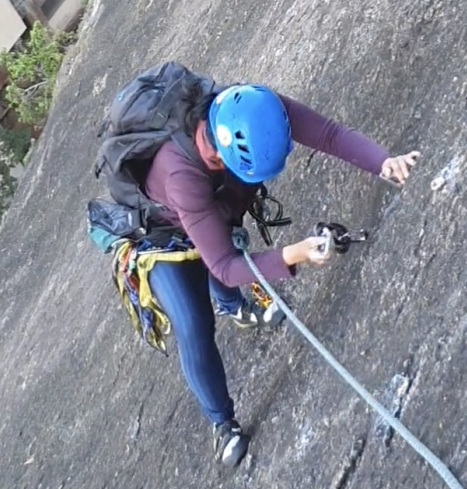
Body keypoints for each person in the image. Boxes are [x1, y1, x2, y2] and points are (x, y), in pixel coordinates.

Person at [142, 83, 419, 467]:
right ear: (220, 157)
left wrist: (383, 162)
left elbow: (328, 135)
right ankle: (222, 422)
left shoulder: (256, 110)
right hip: (158, 233)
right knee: (192, 322)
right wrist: (293, 254)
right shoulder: (182, 176)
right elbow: (224, 265)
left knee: (224, 232)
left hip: (211, 203)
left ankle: (233, 305)